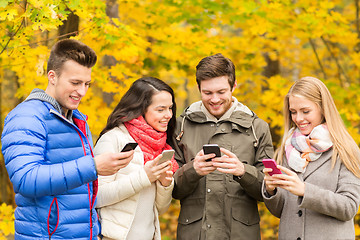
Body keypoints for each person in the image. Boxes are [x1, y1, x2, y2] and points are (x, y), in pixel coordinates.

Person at [1, 39, 134, 239]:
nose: (82, 91)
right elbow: (25, 179)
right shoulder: (26, 117)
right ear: (52, 77)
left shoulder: (77, 118)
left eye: (87, 84)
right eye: (75, 83)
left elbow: (80, 192)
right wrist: (93, 167)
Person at [171, 53, 274, 240]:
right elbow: (171, 189)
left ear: (234, 86)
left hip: (241, 235)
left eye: (221, 92)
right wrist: (192, 170)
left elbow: (268, 191)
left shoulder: (257, 127)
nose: (215, 99)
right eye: (207, 93)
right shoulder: (181, 126)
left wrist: (243, 171)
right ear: (198, 88)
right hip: (194, 234)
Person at [263, 76, 360, 240]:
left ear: (323, 108)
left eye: (305, 111)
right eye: (293, 112)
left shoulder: (345, 150)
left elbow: (349, 207)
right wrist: (271, 190)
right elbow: (280, 211)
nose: (298, 119)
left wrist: (305, 191)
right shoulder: (287, 150)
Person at [94, 77, 179, 240]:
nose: (168, 115)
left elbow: (159, 210)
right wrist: (144, 177)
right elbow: (96, 197)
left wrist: (164, 185)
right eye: (160, 109)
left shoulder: (161, 147)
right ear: (141, 109)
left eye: (170, 108)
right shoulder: (113, 139)